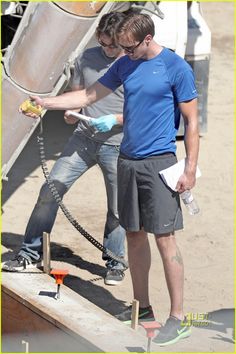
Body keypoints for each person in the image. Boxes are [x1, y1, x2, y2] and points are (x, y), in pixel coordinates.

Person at [17, 13, 199, 346]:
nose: (122, 54)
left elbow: (191, 122)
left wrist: (190, 169)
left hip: (159, 162)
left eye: (129, 48)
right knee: (133, 235)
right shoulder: (125, 63)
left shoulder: (176, 68)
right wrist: (46, 103)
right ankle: (143, 308)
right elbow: (87, 97)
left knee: (164, 239)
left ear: (147, 39)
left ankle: (178, 318)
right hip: (127, 159)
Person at [3, 12, 128, 286]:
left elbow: (143, 112)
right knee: (49, 192)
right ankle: (29, 252)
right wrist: (72, 112)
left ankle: (116, 261)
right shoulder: (87, 59)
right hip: (83, 138)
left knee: (118, 208)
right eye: (104, 44)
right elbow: (78, 94)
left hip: (118, 144)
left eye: (113, 46)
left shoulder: (133, 66)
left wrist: (115, 120)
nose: (108, 50)